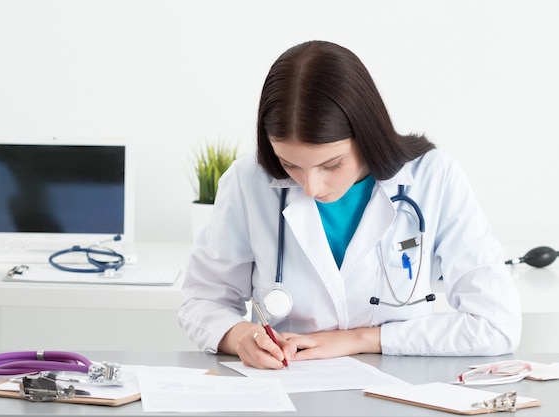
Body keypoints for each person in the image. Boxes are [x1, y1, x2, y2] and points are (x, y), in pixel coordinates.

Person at [178, 40, 521, 369]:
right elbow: (203, 300)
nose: (311, 187)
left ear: (367, 133)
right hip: (289, 390)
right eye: (290, 165)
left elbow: (497, 324)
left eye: (331, 165)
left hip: (401, 392)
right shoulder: (248, 183)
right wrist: (240, 335)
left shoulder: (434, 178)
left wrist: (362, 339)